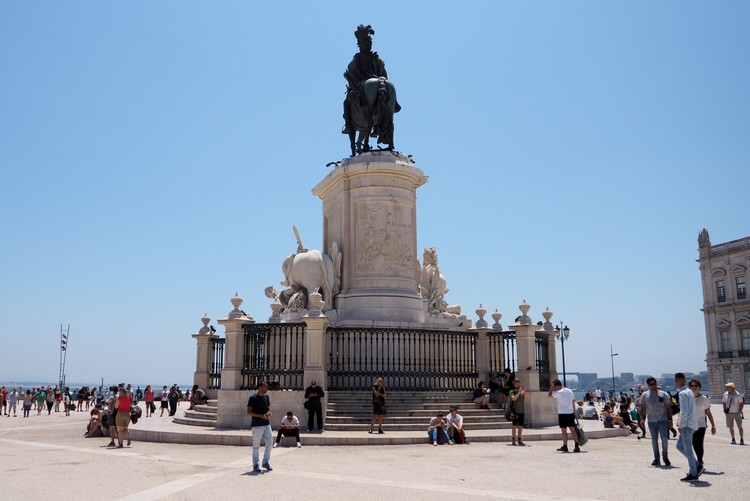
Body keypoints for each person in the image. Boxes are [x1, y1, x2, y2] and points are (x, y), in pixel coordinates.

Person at [638, 376, 673, 466]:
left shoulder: (663, 394)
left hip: (663, 419)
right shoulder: (645, 395)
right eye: (651, 384)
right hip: (651, 420)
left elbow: (668, 407)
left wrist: (670, 419)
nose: (653, 386)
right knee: (654, 440)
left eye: (655, 384)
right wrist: (642, 419)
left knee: (664, 439)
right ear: (648, 385)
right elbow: (642, 408)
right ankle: (656, 458)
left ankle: (665, 456)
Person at [674, 372, 701, 481]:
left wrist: (681, 425)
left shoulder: (683, 393)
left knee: (687, 449)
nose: (676, 382)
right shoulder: (689, 391)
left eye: (676, 380)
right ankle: (696, 465)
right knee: (679, 446)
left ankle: (693, 473)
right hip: (691, 423)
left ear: (679, 381)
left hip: (687, 425)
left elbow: (684, 411)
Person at [247, 381, 273, 473]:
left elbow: (267, 408)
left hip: (266, 423)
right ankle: (255, 464)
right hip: (257, 425)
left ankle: (265, 462)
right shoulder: (252, 398)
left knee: (270, 443)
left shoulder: (266, 397)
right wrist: (260, 416)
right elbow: (249, 412)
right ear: (260, 387)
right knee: (256, 446)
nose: (267, 388)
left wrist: (268, 413)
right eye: (265, 386)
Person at [548, 379, 580, 452]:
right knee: (573, 430)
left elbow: (549, 395)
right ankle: (576, 446)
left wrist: (551, 387)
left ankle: (565, 446)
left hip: (562, 413)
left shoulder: (558, 392)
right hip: (570, 412)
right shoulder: (570, 391)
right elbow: (573, 402)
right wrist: (574, 412)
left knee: (563, 430)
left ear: (556, 386)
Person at [690, 379, 715, 471]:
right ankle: (698, 461)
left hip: (701, 425)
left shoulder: (704, 399)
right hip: (691, 425)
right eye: (692, 386)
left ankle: (699, 461)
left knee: (699, 444)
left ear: (699, 387)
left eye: (695, 386)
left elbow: (708, 413)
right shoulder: (688, 398)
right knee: (693, 444)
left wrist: (713, 426)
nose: (693, 387)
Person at [509, 379, 527, 446]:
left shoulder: (522, 392)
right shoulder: (512, 391)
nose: (518, 384)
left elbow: (526, 398)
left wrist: (524, 391)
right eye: (517, 383)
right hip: (514, 411)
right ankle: (513, 439)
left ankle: (519, 439)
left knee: (520, 426)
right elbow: (513, 398)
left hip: (521, 411)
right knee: (514, 426)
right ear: (514, 385)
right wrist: (519, 392)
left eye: (519, 383)